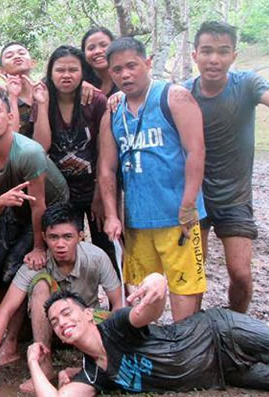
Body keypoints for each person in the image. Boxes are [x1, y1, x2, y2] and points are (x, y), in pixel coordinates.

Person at [183, 21, 269, 313]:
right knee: (195, 276)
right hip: (195, 199)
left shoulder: (247, 83)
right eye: (206, 51)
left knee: (241, 275)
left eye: (223, 51)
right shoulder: (182, 93)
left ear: (234, 55)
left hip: (235, 198)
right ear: (195, 55)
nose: (214, 59)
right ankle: (193, 335)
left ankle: (236, 325)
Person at [29, 277, 269, 395]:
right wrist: (33, 360)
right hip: (223, 372)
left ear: (88, 314)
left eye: (67, 313)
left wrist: (156, 282)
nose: (62, 322)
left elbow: (149, 311)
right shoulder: (93, 375)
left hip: (221, 332)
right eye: (55, 323)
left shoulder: (115, 326)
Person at [97, 37, 206, 322]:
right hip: (137, 221)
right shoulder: (113, 113)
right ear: (111, 73)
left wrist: (188, 204)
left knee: (184, 289)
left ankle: (186, 351)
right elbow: (106, 169)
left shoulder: (174, 97)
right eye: (118, 69)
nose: (125, 74)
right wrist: (111, 214)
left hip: (176, 217)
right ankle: (152, 351)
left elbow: (196, 151)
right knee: (144, 294)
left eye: (132, 66)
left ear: (147, 63)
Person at [0, 202, 123, 393]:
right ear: (44, 237)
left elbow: (118, 303)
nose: (60, 244)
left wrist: (113, 346)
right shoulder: (34, 264)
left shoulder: (96, 257)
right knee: (41, 283)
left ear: (80, 236)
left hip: (86, 325)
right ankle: (44, 364)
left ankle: (98, 362)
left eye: (67, 237)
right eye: (53, 237)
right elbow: (6, 309)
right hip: (51, 329)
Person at [0, 88, 69, 294]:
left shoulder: (29, 151)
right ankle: (4, 314)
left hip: (52, 207)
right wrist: (1, 202)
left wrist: (38, 247)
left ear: (9, 117)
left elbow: (38, 203)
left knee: (16, 266)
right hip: (16, 205)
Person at [32, 45, 115, 266]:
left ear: (82, 72)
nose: (66, 75)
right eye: (60, 70)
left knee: (107, 245)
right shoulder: (43, 100)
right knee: (65, 251)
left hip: (93, 185)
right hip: (60, 191)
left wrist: (100, 193)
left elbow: (104, 151)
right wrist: (42, 106)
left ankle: (118, 299)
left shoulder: (95, 101)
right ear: (50, 72)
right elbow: (40, 148)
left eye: (73, 70)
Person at [0, 41, 37, 138]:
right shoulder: (0, 102)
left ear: (33, 63)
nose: (17, 57)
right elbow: (9, 140)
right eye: (9, 56)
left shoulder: (45, 91)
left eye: (22, 53)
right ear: (1, 71)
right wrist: (13, 98)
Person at [80, 27, 118, 98]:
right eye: (91, 48)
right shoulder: (80, 77)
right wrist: (78, 85)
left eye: (103, 45)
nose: (98, 51)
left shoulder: (126, 76)